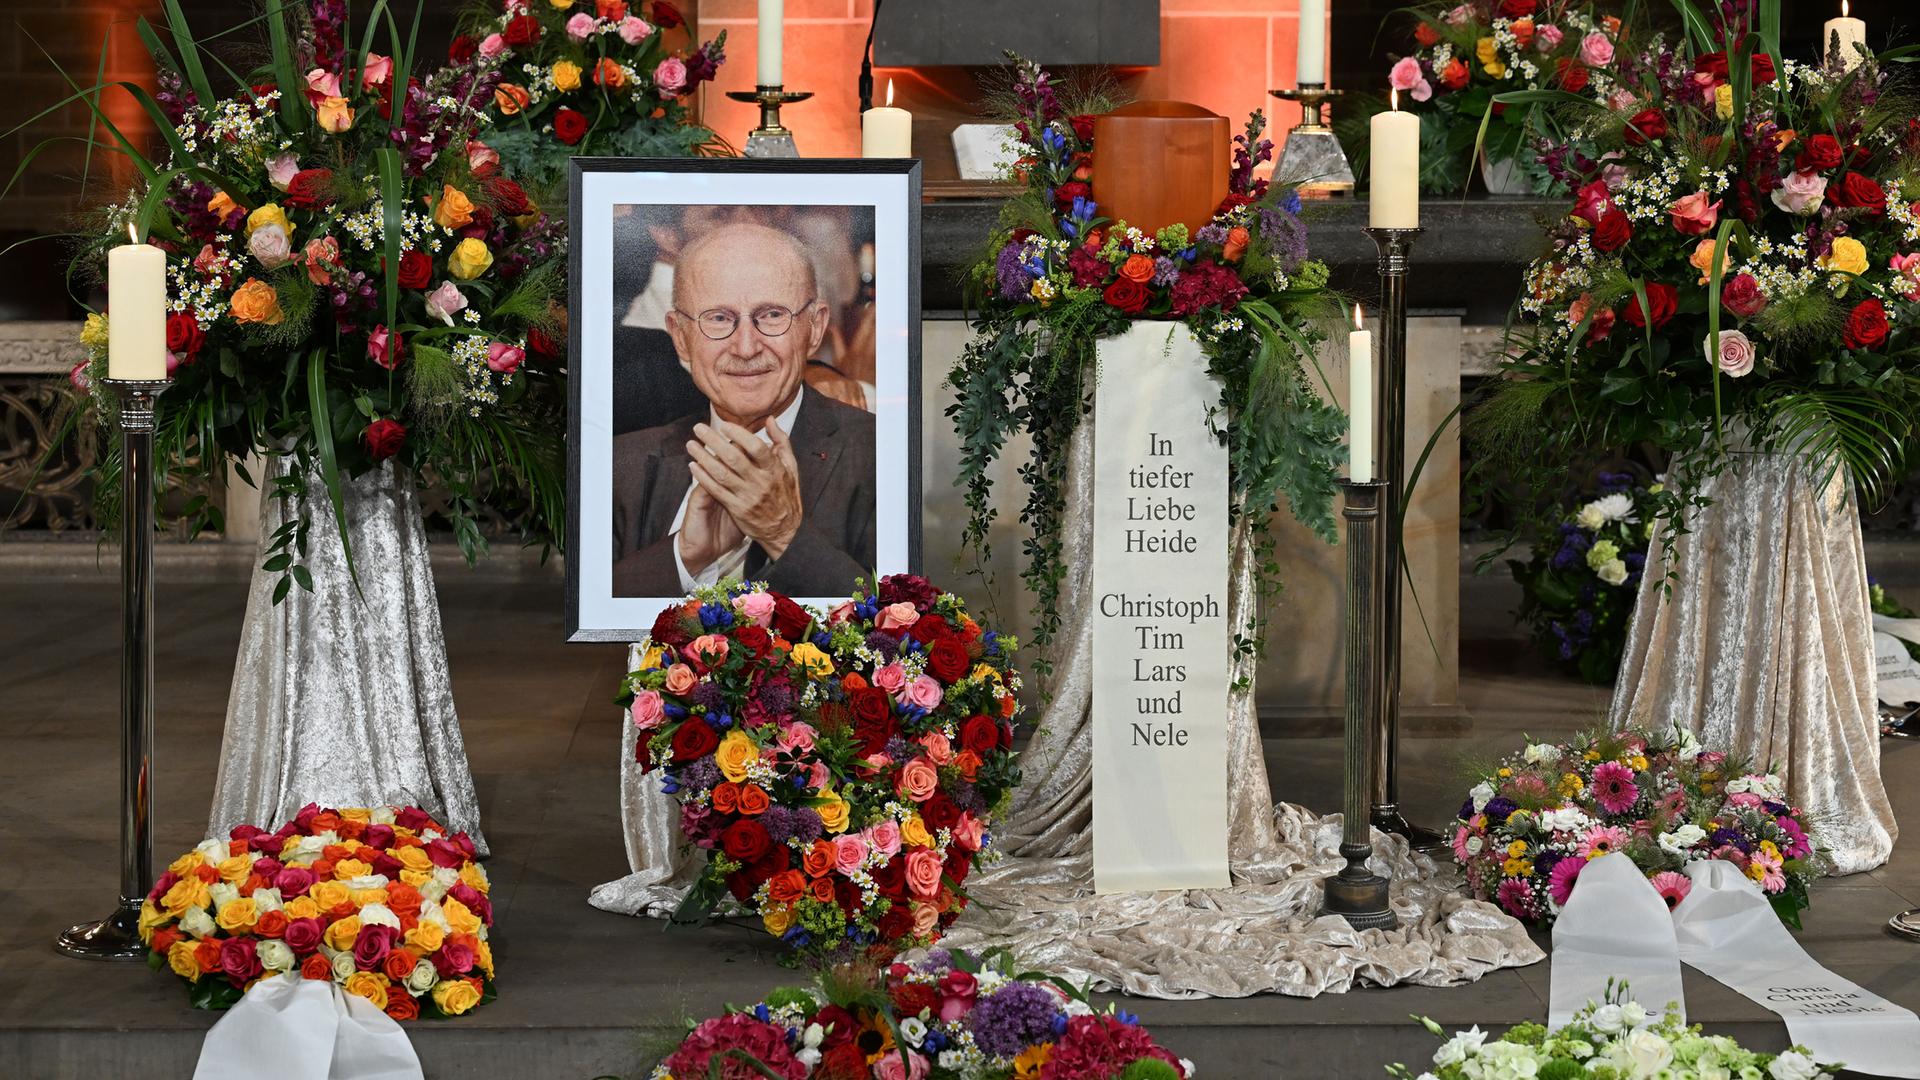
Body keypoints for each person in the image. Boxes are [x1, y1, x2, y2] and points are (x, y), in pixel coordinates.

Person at [611, 221, 876, 597]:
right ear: (681, 338)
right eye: (718, 318)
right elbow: (589, 630)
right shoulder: (623, 467)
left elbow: (897, 632)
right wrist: (685, 557)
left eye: (771, 316)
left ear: (814, 329)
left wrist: (782, 532)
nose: (746, 347)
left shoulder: (877, 454)